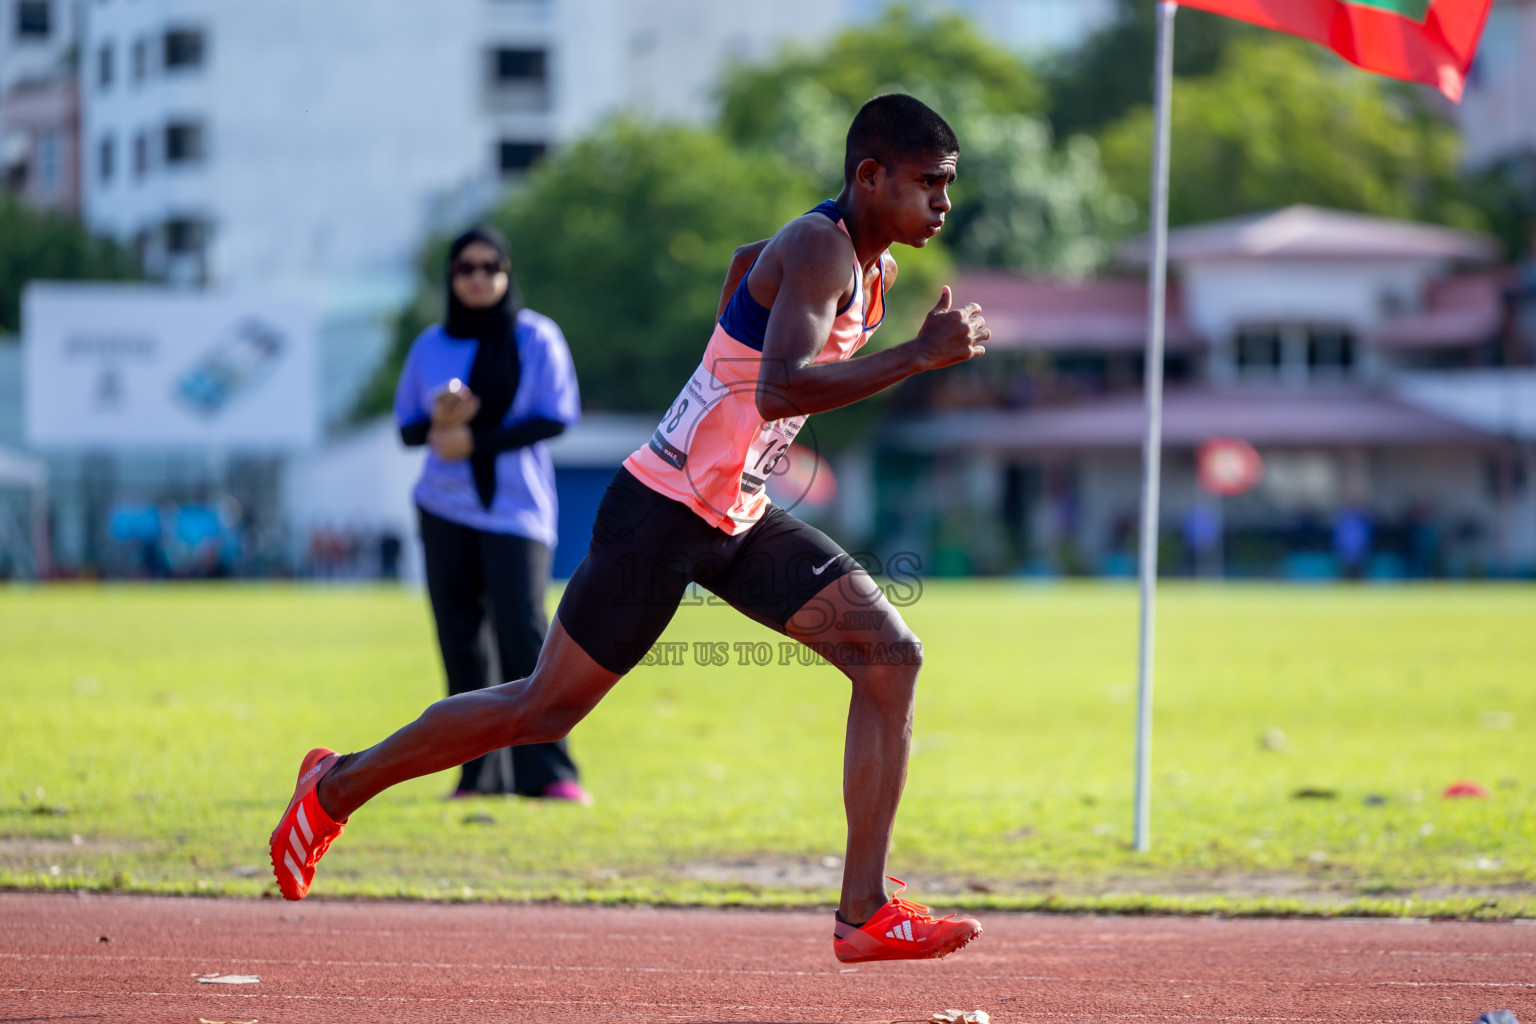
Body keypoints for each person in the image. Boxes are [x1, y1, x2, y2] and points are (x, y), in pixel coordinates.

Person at [270, 93, 990, 964]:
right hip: (660, 511)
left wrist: (723, 353)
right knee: (544, 709)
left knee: (889, 656)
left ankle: (863, 910)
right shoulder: (819, 245)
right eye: (929, 185)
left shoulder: (873, 270)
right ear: (869, 176)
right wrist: (917, 355)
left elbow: (739, 269)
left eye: (946, 188)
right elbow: (779, 387)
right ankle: (335, 784)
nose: (943, 207)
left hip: (739, 515)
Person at [393, 227, 590, 802]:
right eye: (465, 269)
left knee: (524, 635)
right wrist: (443, 418)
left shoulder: (536, 336)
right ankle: (476, 775)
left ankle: (548, 773)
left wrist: (474, 440)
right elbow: (407, 429)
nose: (478, 278)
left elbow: (556, 417)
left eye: (489, 267)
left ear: (506, 273)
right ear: (451, 279)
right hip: (443, 506)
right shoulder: (431, 344)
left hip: (515, 510)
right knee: (460, 640)